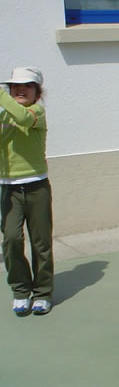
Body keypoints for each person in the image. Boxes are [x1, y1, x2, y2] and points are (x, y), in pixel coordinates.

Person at [0, 67, 54, 315]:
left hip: (36, 186)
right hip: (9, 187)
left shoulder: (37, 112)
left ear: (37, 93)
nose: (20, 89)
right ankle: (21, 290)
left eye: (27, 85)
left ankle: (42, 292)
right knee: (11, 239)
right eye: (14, 86)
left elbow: (22, 119)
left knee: (41, 242)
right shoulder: (4, 113)